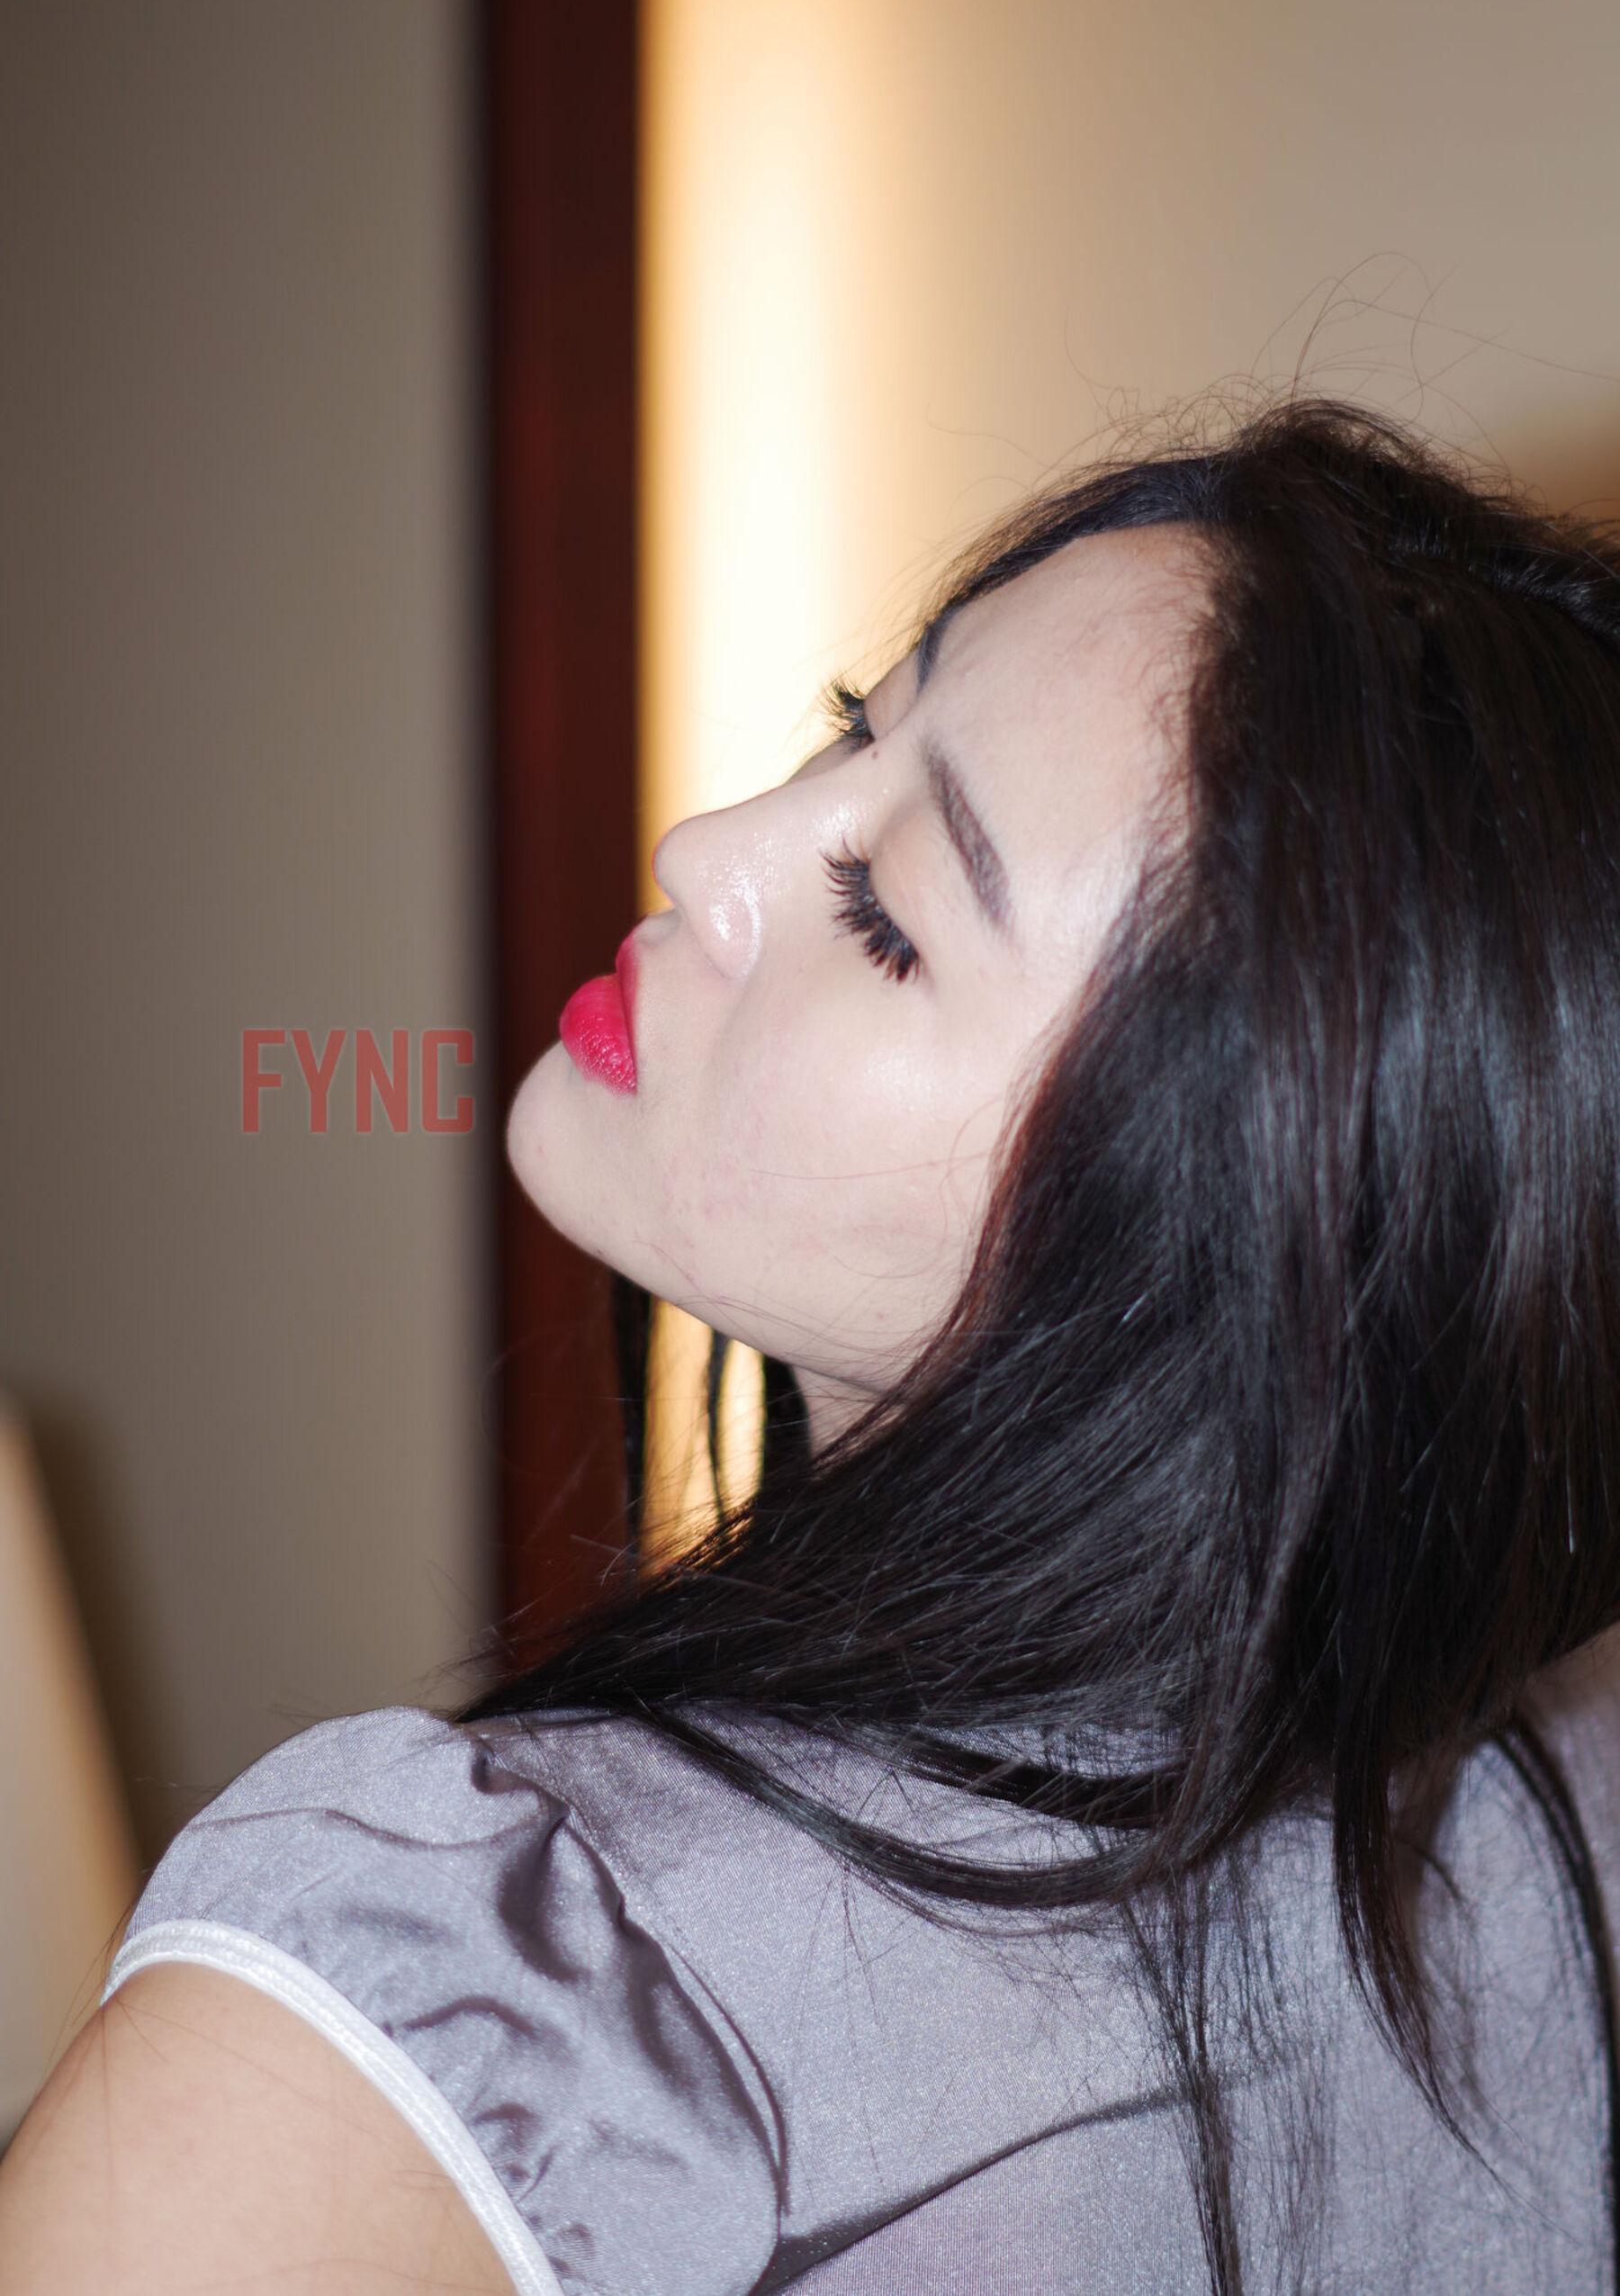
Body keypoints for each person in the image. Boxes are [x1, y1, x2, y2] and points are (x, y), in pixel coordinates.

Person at [4, 392, 1620, 2294]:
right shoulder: (1550, 1810)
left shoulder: (441, 2029)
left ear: (1225, 1268)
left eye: (886, 916)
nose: (706, 847)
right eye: (858, 726)